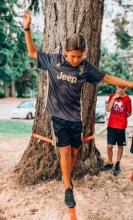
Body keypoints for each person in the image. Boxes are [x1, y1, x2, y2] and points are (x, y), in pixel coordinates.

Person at [23, 10, 133, 208]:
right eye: (72, 56)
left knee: (74, 153)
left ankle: (68, 175)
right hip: (58, 116)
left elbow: (107, 78)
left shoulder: (85, 68)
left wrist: (131, 84)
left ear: (84, 55)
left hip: (76, 118)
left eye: (79, 56)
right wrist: (27, 28)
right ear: (65, 52)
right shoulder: (53, 61)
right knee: (65, 152)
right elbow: (32, 52)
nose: (75, 60)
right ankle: (67, 187)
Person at [104, 86, 132, 176]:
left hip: (121, 127)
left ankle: (118, 163)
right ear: (116, 86)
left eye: (123, 88)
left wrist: (122, 118)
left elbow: (129, 113)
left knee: (120, 145)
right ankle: (110, 162)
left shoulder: (128, 99)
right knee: (109, 146)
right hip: (111, 125)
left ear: (126, 88)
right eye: (119, 87)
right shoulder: (112, 95)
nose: (121, 89)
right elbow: (108, 109)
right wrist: (114, 98)